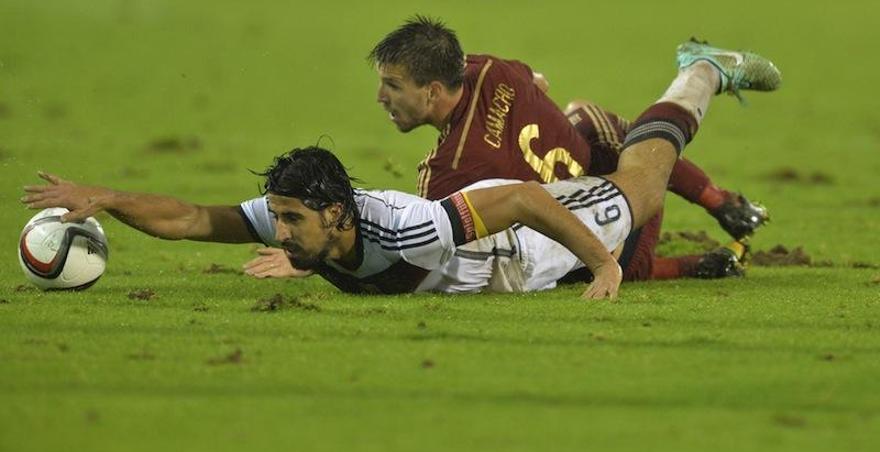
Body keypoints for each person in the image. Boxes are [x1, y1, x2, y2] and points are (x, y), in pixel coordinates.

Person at [21, 42, 780, 299]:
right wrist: (107, 197)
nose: (279, 231)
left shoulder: (406, 223)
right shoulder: (302, 215)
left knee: (643, 186)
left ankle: (700, 73)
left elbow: (518, 197)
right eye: (278, 217)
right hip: (493, 239)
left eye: (292, 222)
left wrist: (600, 261)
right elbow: (189, 219)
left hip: (521, 240)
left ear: (341, 216)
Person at [366, 17, 771, 281]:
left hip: (612, 228)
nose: (381, 97)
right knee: (589, 118)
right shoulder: (486, 68)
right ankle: (722, 203)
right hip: (622, 167)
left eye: (393, 85)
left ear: (433, 90)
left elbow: (440, 251)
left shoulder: (447, 172)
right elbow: (538, 82)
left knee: (552, 255)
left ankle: (690, 266)